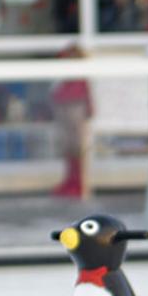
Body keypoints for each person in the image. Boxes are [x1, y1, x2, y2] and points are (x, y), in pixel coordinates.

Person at [47, 45, 93, 201]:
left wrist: (90, 109)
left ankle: (78, 184)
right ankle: (69, 181)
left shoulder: (80, 80)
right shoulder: (64, 81)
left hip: (75, 112)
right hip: (65, 111)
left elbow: (87, 97)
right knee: (67, 148)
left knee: (78, 149)